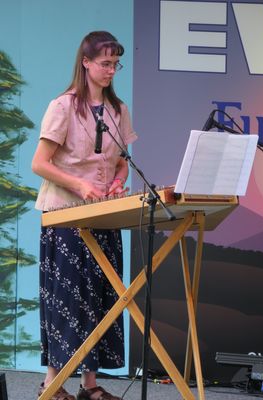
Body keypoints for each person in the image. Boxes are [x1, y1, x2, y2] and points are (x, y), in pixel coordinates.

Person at [32, 31, 137, 400]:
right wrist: (79, 185)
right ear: (86, 63)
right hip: (64, 217)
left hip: (103, 217)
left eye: (115, 63)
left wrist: (119, 182)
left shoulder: (118, 110)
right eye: (105, 63)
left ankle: (89, 386)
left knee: (100, 300)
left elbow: (122, 163)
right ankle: (52, 384)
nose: (111, 70)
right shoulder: (63, 106)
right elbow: (39, 164)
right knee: (66, 300)